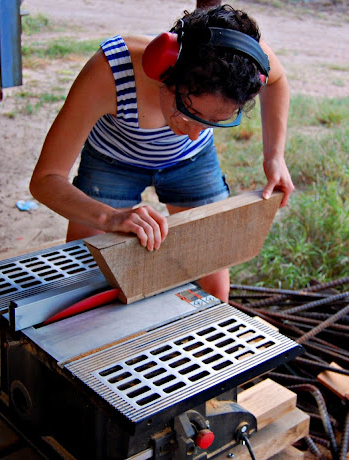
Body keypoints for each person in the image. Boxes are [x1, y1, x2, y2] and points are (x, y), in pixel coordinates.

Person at [29, 5, 293, 302]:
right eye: (189, 113)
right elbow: (45, 179)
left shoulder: (244, 58)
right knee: (86, 278)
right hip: (112, 162)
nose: (194, 132)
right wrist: (108, 217)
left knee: (215, 289)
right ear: (162, 71)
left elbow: (278, 81)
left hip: (192, 160)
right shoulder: (111, 71)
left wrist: (274, 155)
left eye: (211, 122)